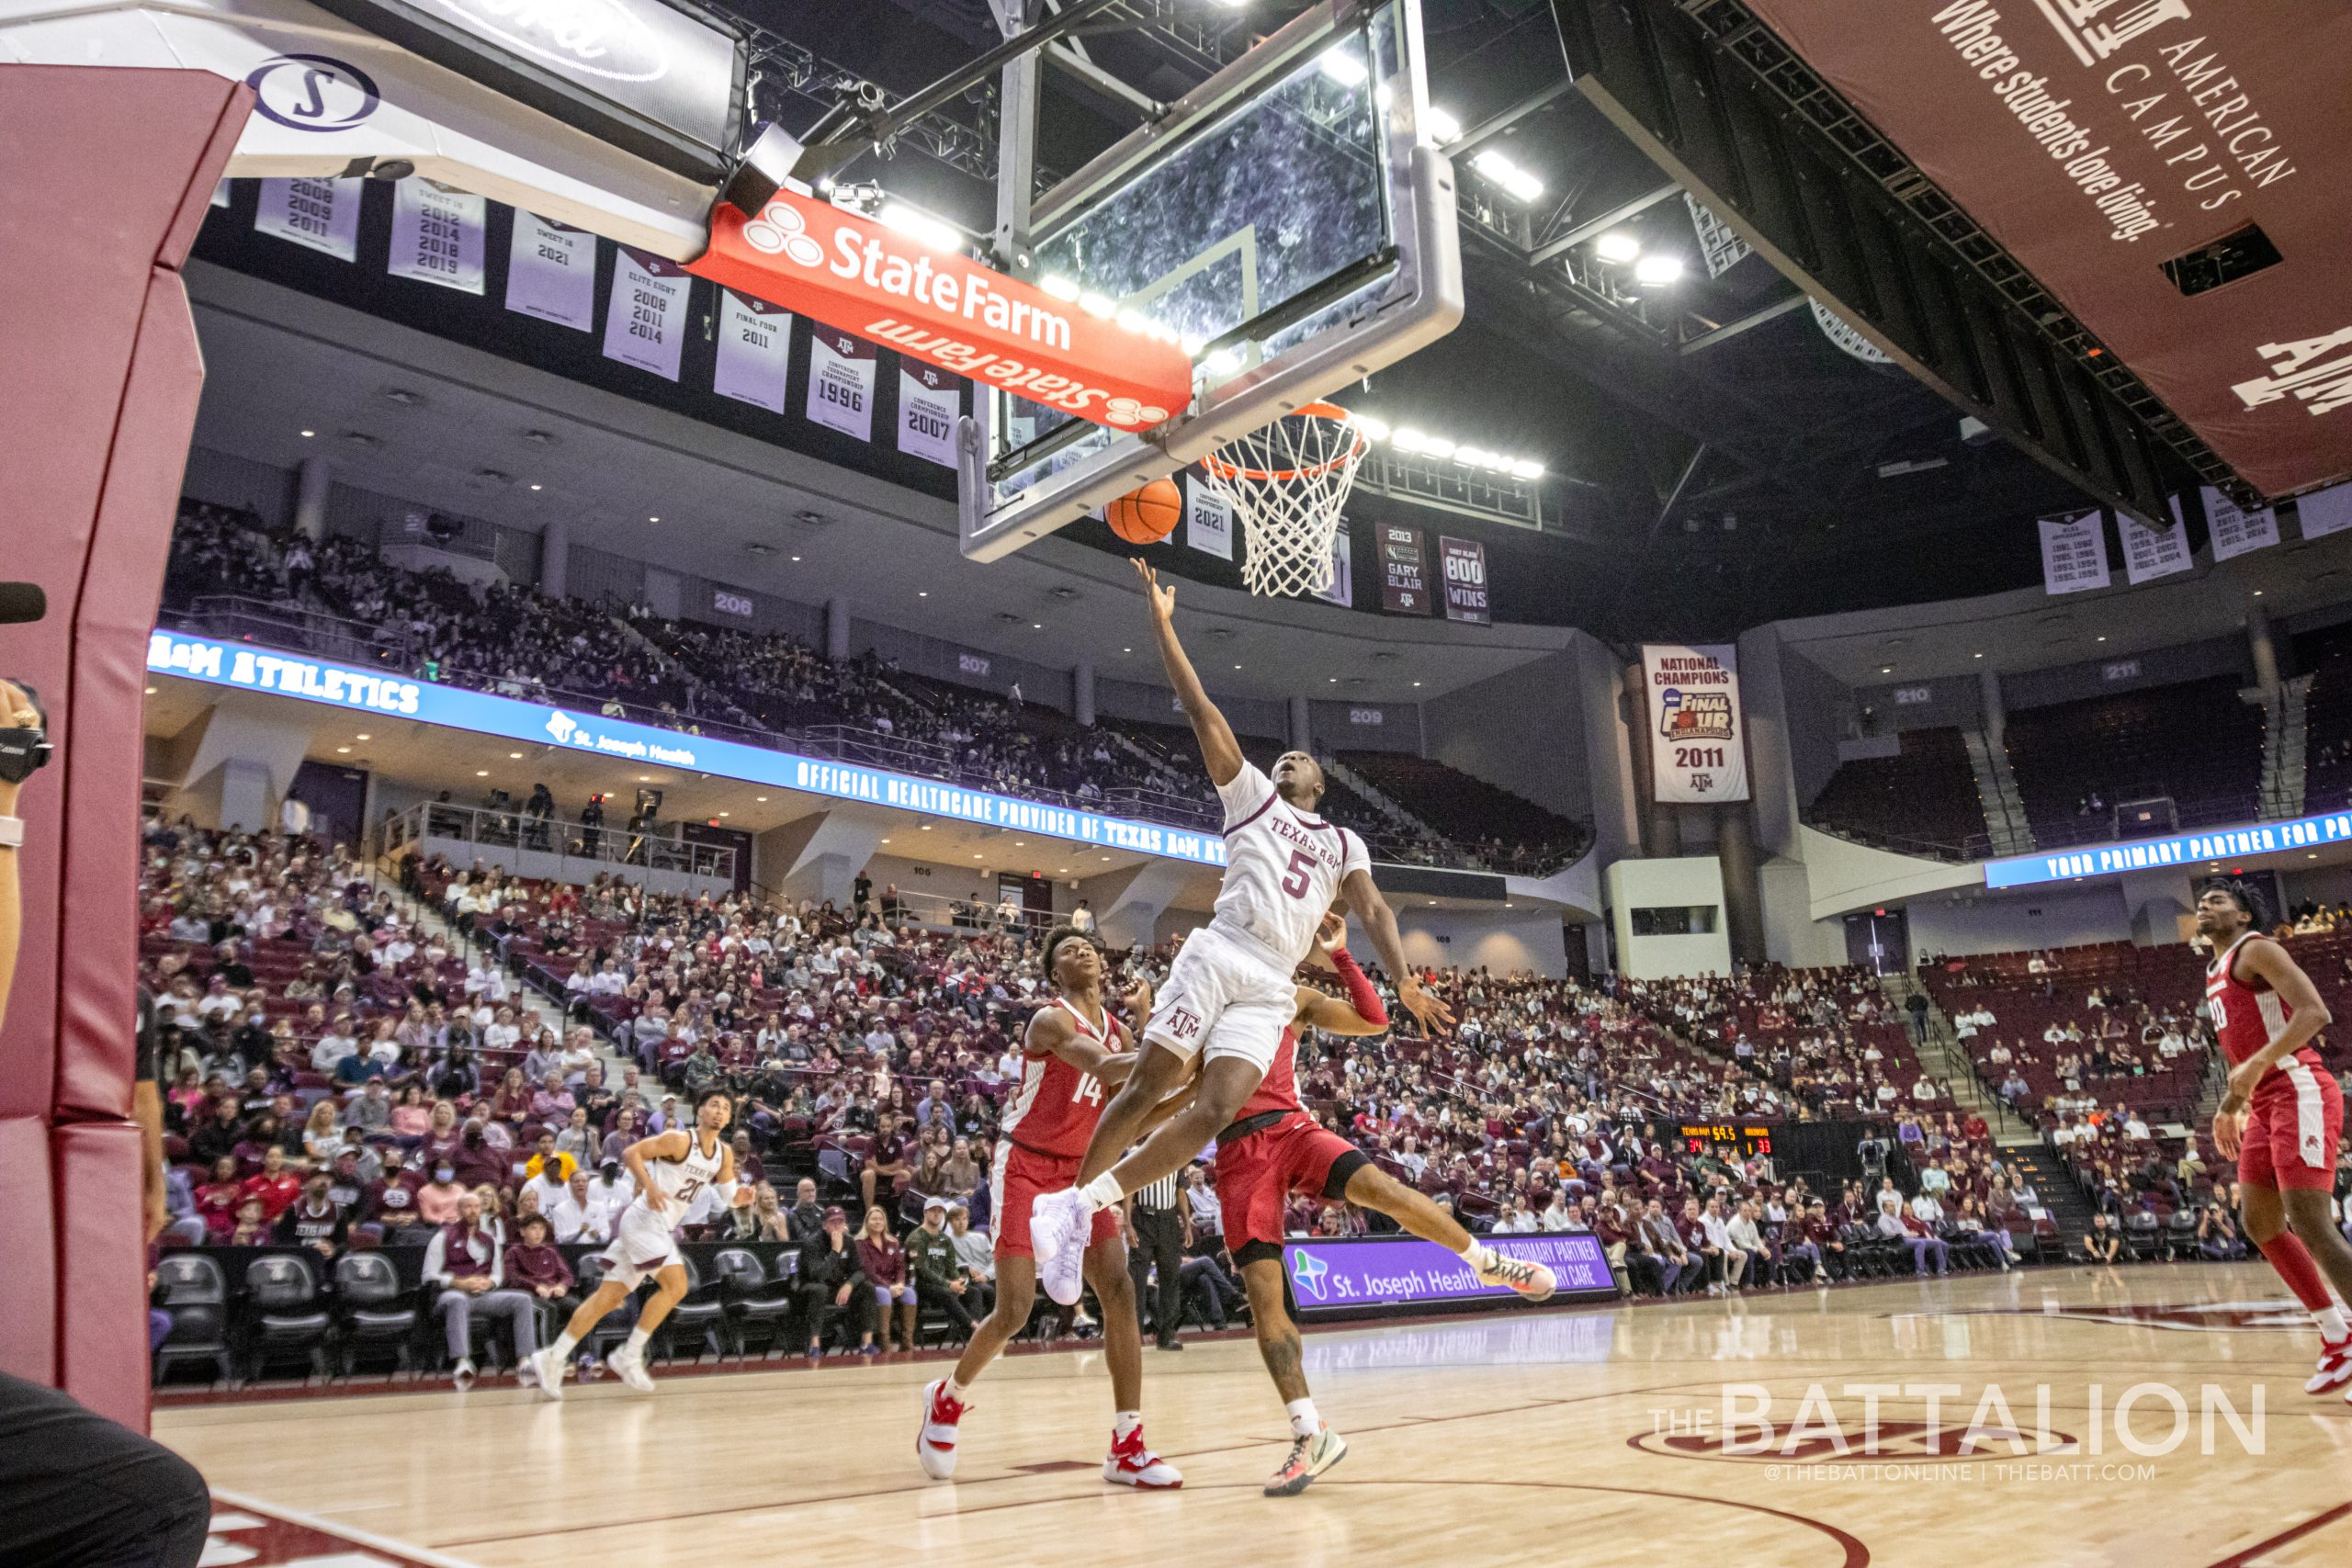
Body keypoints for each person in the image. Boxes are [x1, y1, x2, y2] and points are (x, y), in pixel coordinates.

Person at [1029, 562, 1449, 1304]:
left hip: (1273, 980)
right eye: (1280, 756)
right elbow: (1200, 709)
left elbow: (1378, 911)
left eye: (1300, 758)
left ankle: (1076, 1204)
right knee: (1152, 1081)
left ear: (1319, 782)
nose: (1285, 760)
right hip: (1222, 949)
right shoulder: (1252, 796)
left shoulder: (1345, 841)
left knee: (1217, 1107)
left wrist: (1402, 974)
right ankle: (1072, 1209)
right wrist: (1162, 625)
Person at [1216, 914, 1553, 1495]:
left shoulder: (1295, 997)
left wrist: (1343, 955)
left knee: (1386, 1190)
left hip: (1292, 1128)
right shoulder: (1206, 998)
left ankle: (1485, 1261)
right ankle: (1310, 1432)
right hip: (1238, 1152)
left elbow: (1374, 1021)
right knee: (1266, 1302)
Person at [917, 924, 1181, 1490]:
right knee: (1013, 1310)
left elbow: (1138, 1107)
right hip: (1027, 1164)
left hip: (1082, 1170)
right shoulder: (1050, 1019)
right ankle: (947, 1396)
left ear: (1103, 967)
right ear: (1055, 973)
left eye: (1086, 946)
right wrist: (1163, 1035)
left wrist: (1151, 1032)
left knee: (1120, 1288)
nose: (1081, 951)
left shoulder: (1115, 1028)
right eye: (1066, 951)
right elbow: (1115, 1070)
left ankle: (1127, 1444)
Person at [2197, 883, 2352, 1399]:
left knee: (2308, 1217)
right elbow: (2238, 1051)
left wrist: (2258, 1064)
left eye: (2218, 900)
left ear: (2242, 914)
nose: (2205, 905)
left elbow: (2315, 1013)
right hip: (2263, 1102)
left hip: (2299, 1087)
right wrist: (2229, 1105)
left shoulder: (2257, 948)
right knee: (2259, 1223)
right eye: (2202, 900)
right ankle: (2337, 1335)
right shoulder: (2214, 971)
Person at [526, 1088, 751, 1398]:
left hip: (658, 1226)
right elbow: (632, 1154)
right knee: (676, 1286)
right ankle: (630, 1354)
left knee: (605, 1299)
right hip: (644, 1220)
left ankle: (552, 1357)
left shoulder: (724, 1154)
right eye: (714, 1104)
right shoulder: (680, 1140)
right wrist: (650, 1186)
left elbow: (730, 1198)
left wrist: (742, 1198)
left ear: (728, 1117)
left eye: (725, 1107)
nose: (719, 1111)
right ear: (699, 1111)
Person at [421, 1190, 540, 1391]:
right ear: (459, 1210)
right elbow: (429, 1275)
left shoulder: (489, 1240)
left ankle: (524, 1361)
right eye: (468, 1206)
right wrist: (459, 1283)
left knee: (523, 1300)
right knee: (457, 1300)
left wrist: (489, 1283)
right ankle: (462, 1363)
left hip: (483, 1296)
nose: (473, 1211)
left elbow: (497, 1275)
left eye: (477, 1207)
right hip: (450, 1295)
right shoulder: (443, 1237)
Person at [797, 1204, 871, 1355]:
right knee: (820, 1289)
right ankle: (815, 1345)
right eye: (833, 1222)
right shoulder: (812, 1243)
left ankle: (866, 1343)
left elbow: (860, 1271)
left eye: (840, 1222)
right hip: (810, 1288)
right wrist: (835, 1251)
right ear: (824, 1225)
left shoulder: (849, 1241)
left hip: (837, 1288)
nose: (837, 1226)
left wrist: (850, 1284)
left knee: (867, 1287)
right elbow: (818, 1276)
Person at [857, 1205, 918, 1353]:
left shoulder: (893, 1242)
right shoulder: (860, 1243)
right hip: (872, 1284)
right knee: (884, 1294)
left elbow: (900, 1267)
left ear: (885, 1222)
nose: (877, 1222)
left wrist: (900, 1284)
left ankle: (907, 1342)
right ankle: (885, 1342)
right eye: (874, 1219)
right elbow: (868, 1271)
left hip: (893, 1284)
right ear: (867, 1222)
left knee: (910, 1293)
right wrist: (889, 1287)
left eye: (880, 1219)